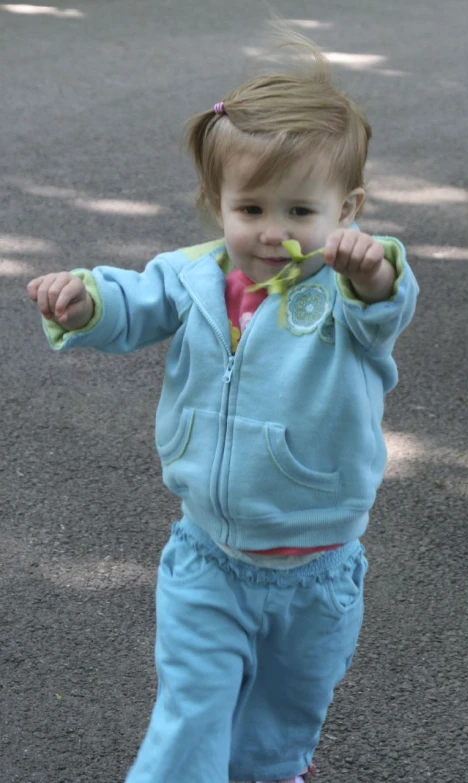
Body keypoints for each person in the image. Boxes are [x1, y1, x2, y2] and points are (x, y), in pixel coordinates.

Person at [27, 28, 418, 783]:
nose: (274, 232)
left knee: (282, 722)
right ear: (218, 204)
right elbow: (132, 302)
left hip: (319, 574)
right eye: (252, 208)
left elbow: (386, 302)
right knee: (193, 714)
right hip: (207, 558)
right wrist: (85, 304)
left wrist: (371, 272)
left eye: (303, 210)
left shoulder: (343, 293)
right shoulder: (192, 277)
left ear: (350, 209)